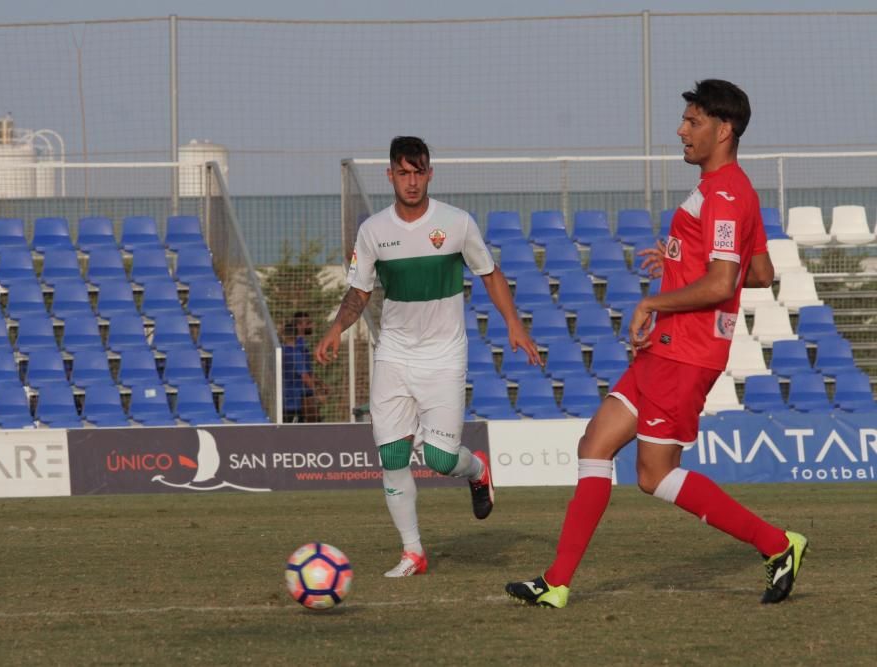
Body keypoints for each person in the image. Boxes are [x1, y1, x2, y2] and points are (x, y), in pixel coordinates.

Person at [505, 80, 807, 608]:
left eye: (692, 121)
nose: (681, 130)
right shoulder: (728, 190)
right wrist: (676, 261)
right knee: (595, 445)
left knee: (653, 475)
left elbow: (721, 283)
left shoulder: (727, 194)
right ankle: (556, 582)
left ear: (723, 129)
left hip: (685, 353)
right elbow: (757, 272)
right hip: (664, 349)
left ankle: (778, 544)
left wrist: (652, 302)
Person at [315, 136, 541, 577]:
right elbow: (359, 290)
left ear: (430, 174)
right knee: (393, 456)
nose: (412, 181)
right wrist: (336, 328)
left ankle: (477, 469)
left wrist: (513, 323)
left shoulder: (456, 223)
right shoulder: (374, 231)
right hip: (395, 354)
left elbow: (489, 274)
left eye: (419, 172)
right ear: (390, 176)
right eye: (404, 172)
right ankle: (413, 552)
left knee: (439, 459)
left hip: (444, 354)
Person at [281, 314, 327, 423]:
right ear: (298, 327)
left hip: (290, 397)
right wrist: (318, 393)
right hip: (295, 400)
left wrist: (319, 382)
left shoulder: (281, 350)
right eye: (308, 323)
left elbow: (306, 371)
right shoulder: (296, 351)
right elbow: (304, 375)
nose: (312, 325)